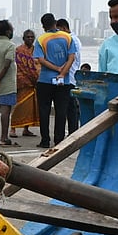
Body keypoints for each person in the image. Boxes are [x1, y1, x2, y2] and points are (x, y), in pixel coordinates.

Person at [34, 12, 74, 148]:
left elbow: (40, 60)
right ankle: (59, 140)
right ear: (55, 22)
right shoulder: (67, 37)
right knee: (61, 110)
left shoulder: (40, 39)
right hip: (64, 81)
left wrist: (56, 69)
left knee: (44, 110)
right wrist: (62, 72)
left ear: (43, 26)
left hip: (45, 80)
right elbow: (71, 58)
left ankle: (45, 140)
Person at [11, 29, 40, 138]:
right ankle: (12, 128)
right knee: (18, 106)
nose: (30, 39)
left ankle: (26, 129)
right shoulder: (18, 50)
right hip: (22, 81)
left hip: (33, 82)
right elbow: (16, 66)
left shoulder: (36, 51)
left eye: (32, 37)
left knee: (30, 107)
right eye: (28, 37)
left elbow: (38, 65)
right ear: (23, 38)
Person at [56, 18, 82, 131]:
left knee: (70, 108)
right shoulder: (72, 39)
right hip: (70, 77)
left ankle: (72, 132)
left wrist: (61, 73)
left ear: (63, 28)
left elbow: (70, 59)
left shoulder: (71, 40)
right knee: (69, 108)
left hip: (69, 78)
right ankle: (72, 131)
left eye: (58, 30)